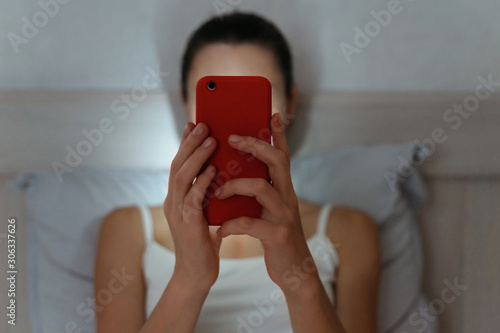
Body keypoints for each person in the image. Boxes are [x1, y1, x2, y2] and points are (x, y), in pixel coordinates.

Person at [94, 12, 380, 333]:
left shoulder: (350, 229)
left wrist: (299, 281)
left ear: (290, 103)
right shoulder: (129, 229)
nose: (236, 125)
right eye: (215, 98)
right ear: (186, 104)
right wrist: (190, 278)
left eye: (253, 98)